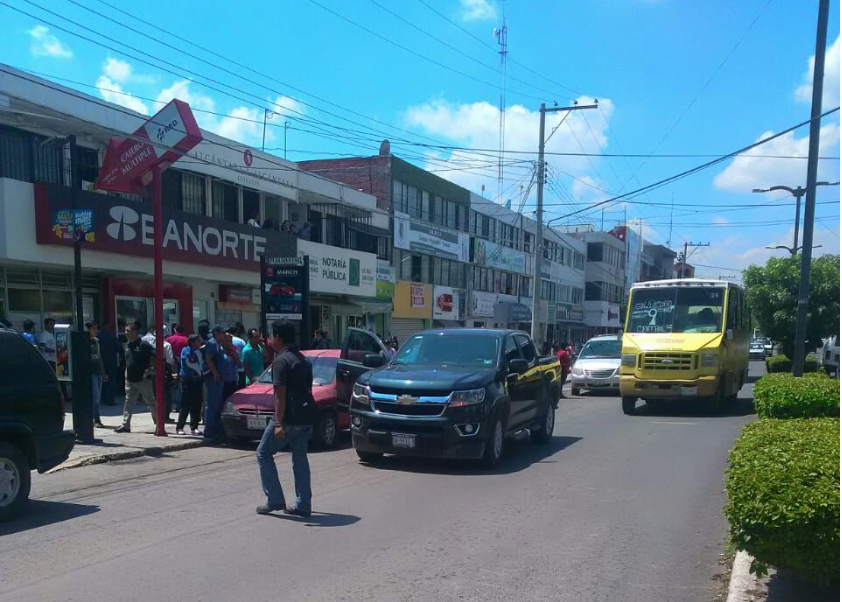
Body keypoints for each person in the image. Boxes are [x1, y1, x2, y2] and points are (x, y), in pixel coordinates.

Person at [256, 320, 317, 517]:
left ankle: (274, 499)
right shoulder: (303, 359)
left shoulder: (281, 361)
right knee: (299, 458)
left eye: (272, 336)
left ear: (279, 338)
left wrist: (278, 423)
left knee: (263, 453)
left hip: (288, 418)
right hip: (306, 416)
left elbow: (280, 395)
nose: (269, 340)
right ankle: (303, 503)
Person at [115, 322, 156, 433]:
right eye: (125, 331)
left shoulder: (143, 344)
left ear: (135, 332)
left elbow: (156, 355)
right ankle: (126, 425)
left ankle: (158, 423)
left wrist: (150, 369)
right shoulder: (127, 344)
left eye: (128, 331)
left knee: (150, 401)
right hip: (130, 378)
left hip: (142, 379)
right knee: (129, 401)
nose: (126, 333)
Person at [202, 325, 227, 443]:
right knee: (212, 404)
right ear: (216, 333)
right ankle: (209, 431)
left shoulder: (219, 344)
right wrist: (215, 372)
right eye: (222, 332)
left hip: (219, 378)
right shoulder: (212, 344)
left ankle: (216, 429)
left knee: (217, 404)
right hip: (213, 378)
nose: (224, 334)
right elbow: (209, 359)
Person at [176, 334, 204, 436]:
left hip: (198, 380)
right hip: (187, 380)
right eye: (198, 341)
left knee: (197, 404)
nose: (200, 343)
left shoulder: (200, 351)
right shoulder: (186, 350)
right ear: (192, 342)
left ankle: (194, 427)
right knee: (185, 404)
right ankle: (180, 427)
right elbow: (190, 361)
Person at [86, 321, 108, 428]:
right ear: (88, 329)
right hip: (90, 372)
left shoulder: (96, 342)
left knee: (97, 397)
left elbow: (99, 357)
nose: (96, 331)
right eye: (94, 328)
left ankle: (95, 418)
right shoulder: (85, 342)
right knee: (95, 396)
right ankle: (96, 419)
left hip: (97, 371)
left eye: (96, 328)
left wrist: (103, 372)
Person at [98, 322, 119, 406]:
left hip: (100, 360)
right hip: (111, 361)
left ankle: (103, 398)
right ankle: (110, 399)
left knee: (102, 379)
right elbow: (118, 349)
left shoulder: (98, 337)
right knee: (111, 380)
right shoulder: (112, 338)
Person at [227, 325, 247, 389]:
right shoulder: (241, 341)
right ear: (236, 332)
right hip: (240, 370)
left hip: (231, 372)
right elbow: (244, 353)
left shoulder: (224, 342)